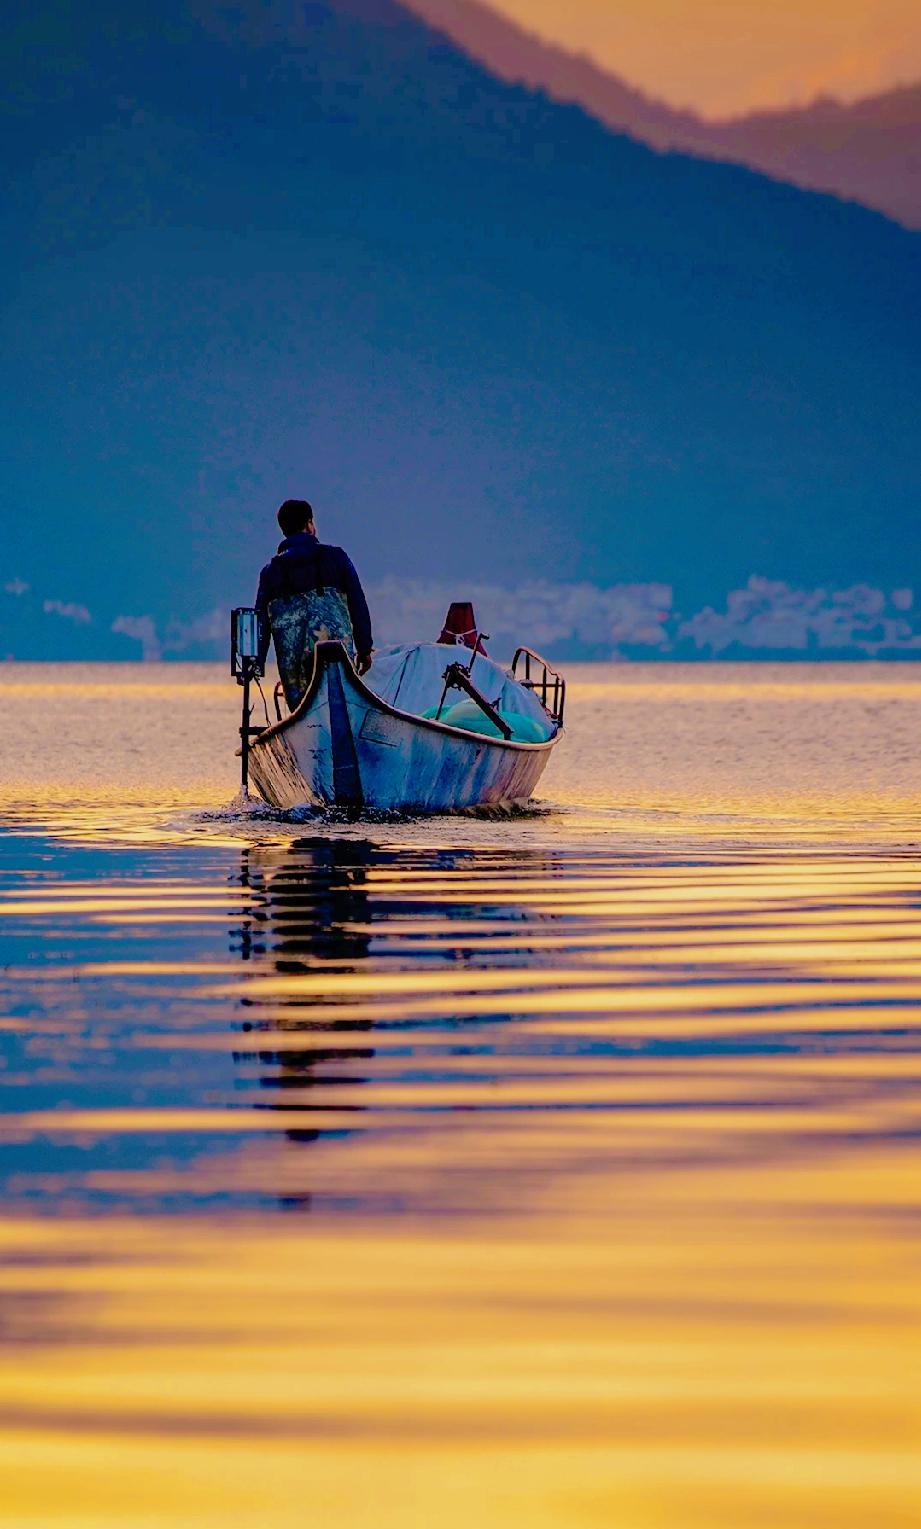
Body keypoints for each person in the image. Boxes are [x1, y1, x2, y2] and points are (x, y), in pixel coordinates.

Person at [255, 499, 373, 709]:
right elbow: (357, 603)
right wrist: (364, 648)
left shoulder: (270, 572)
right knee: (341, 700)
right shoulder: (336, 558)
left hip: (294, 665)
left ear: (284, 530)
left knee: (303, 706)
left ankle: (307, 734)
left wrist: (256, 664)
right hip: (338, 655)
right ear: (309, 524)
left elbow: (260, 623)